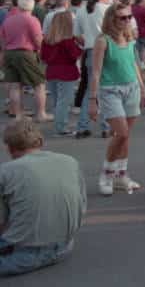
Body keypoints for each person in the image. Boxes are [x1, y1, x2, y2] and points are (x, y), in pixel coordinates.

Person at [0, 118, 85, 276]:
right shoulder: (70, 161)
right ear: (40, 142)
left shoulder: (6, 172)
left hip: (27, 252)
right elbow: (82, 204)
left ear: (10, 149)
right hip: (65, 244)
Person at [89, 1, 145, 196]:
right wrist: (92, 100)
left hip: (132, 88)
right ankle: (106, 174)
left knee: (126, 136)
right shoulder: (103, 41)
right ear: (112, 19)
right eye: (123, 17)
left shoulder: (129, 37)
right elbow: (95, 72)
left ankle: (121, 175)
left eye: (130, 17)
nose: (127, 21)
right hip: (110, 90)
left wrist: (143, 87)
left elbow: (133, 64)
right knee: (120, 133)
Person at [0, 0, 50, 122]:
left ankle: (18, 115)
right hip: (26, 53)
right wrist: (39, 50)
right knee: (39, 84)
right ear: (32, 7)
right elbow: (38, 40)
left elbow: (2, 39)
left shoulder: (8, 20)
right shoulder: (32, 20)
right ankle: (41, 114)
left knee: (15, 86)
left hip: (9, 53)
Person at [41, 11, 83, 136]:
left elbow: (43, 57)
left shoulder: (47, 40)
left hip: (51, 71)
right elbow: (75, 55)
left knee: (57, 101)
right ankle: (61, 128)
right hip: (67, 72)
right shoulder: (68, 41)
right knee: (64, 102)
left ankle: (59, 125)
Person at [77, 0, 112, 138]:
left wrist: (86, 43)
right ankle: (106, 126)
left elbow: (77, 35)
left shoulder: (81, 10)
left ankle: (82, 126)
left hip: (90, 50)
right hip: (108, 49)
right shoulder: (107, 9)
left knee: (90, 90)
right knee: (107, 90)